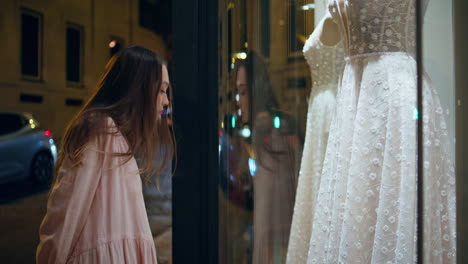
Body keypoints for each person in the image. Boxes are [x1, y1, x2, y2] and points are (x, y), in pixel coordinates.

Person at [36, 45, 175, 264]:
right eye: (160, 90)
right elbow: (65, 215)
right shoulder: (101, 130)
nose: (166, 101)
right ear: (138, 89)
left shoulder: (116, 136)